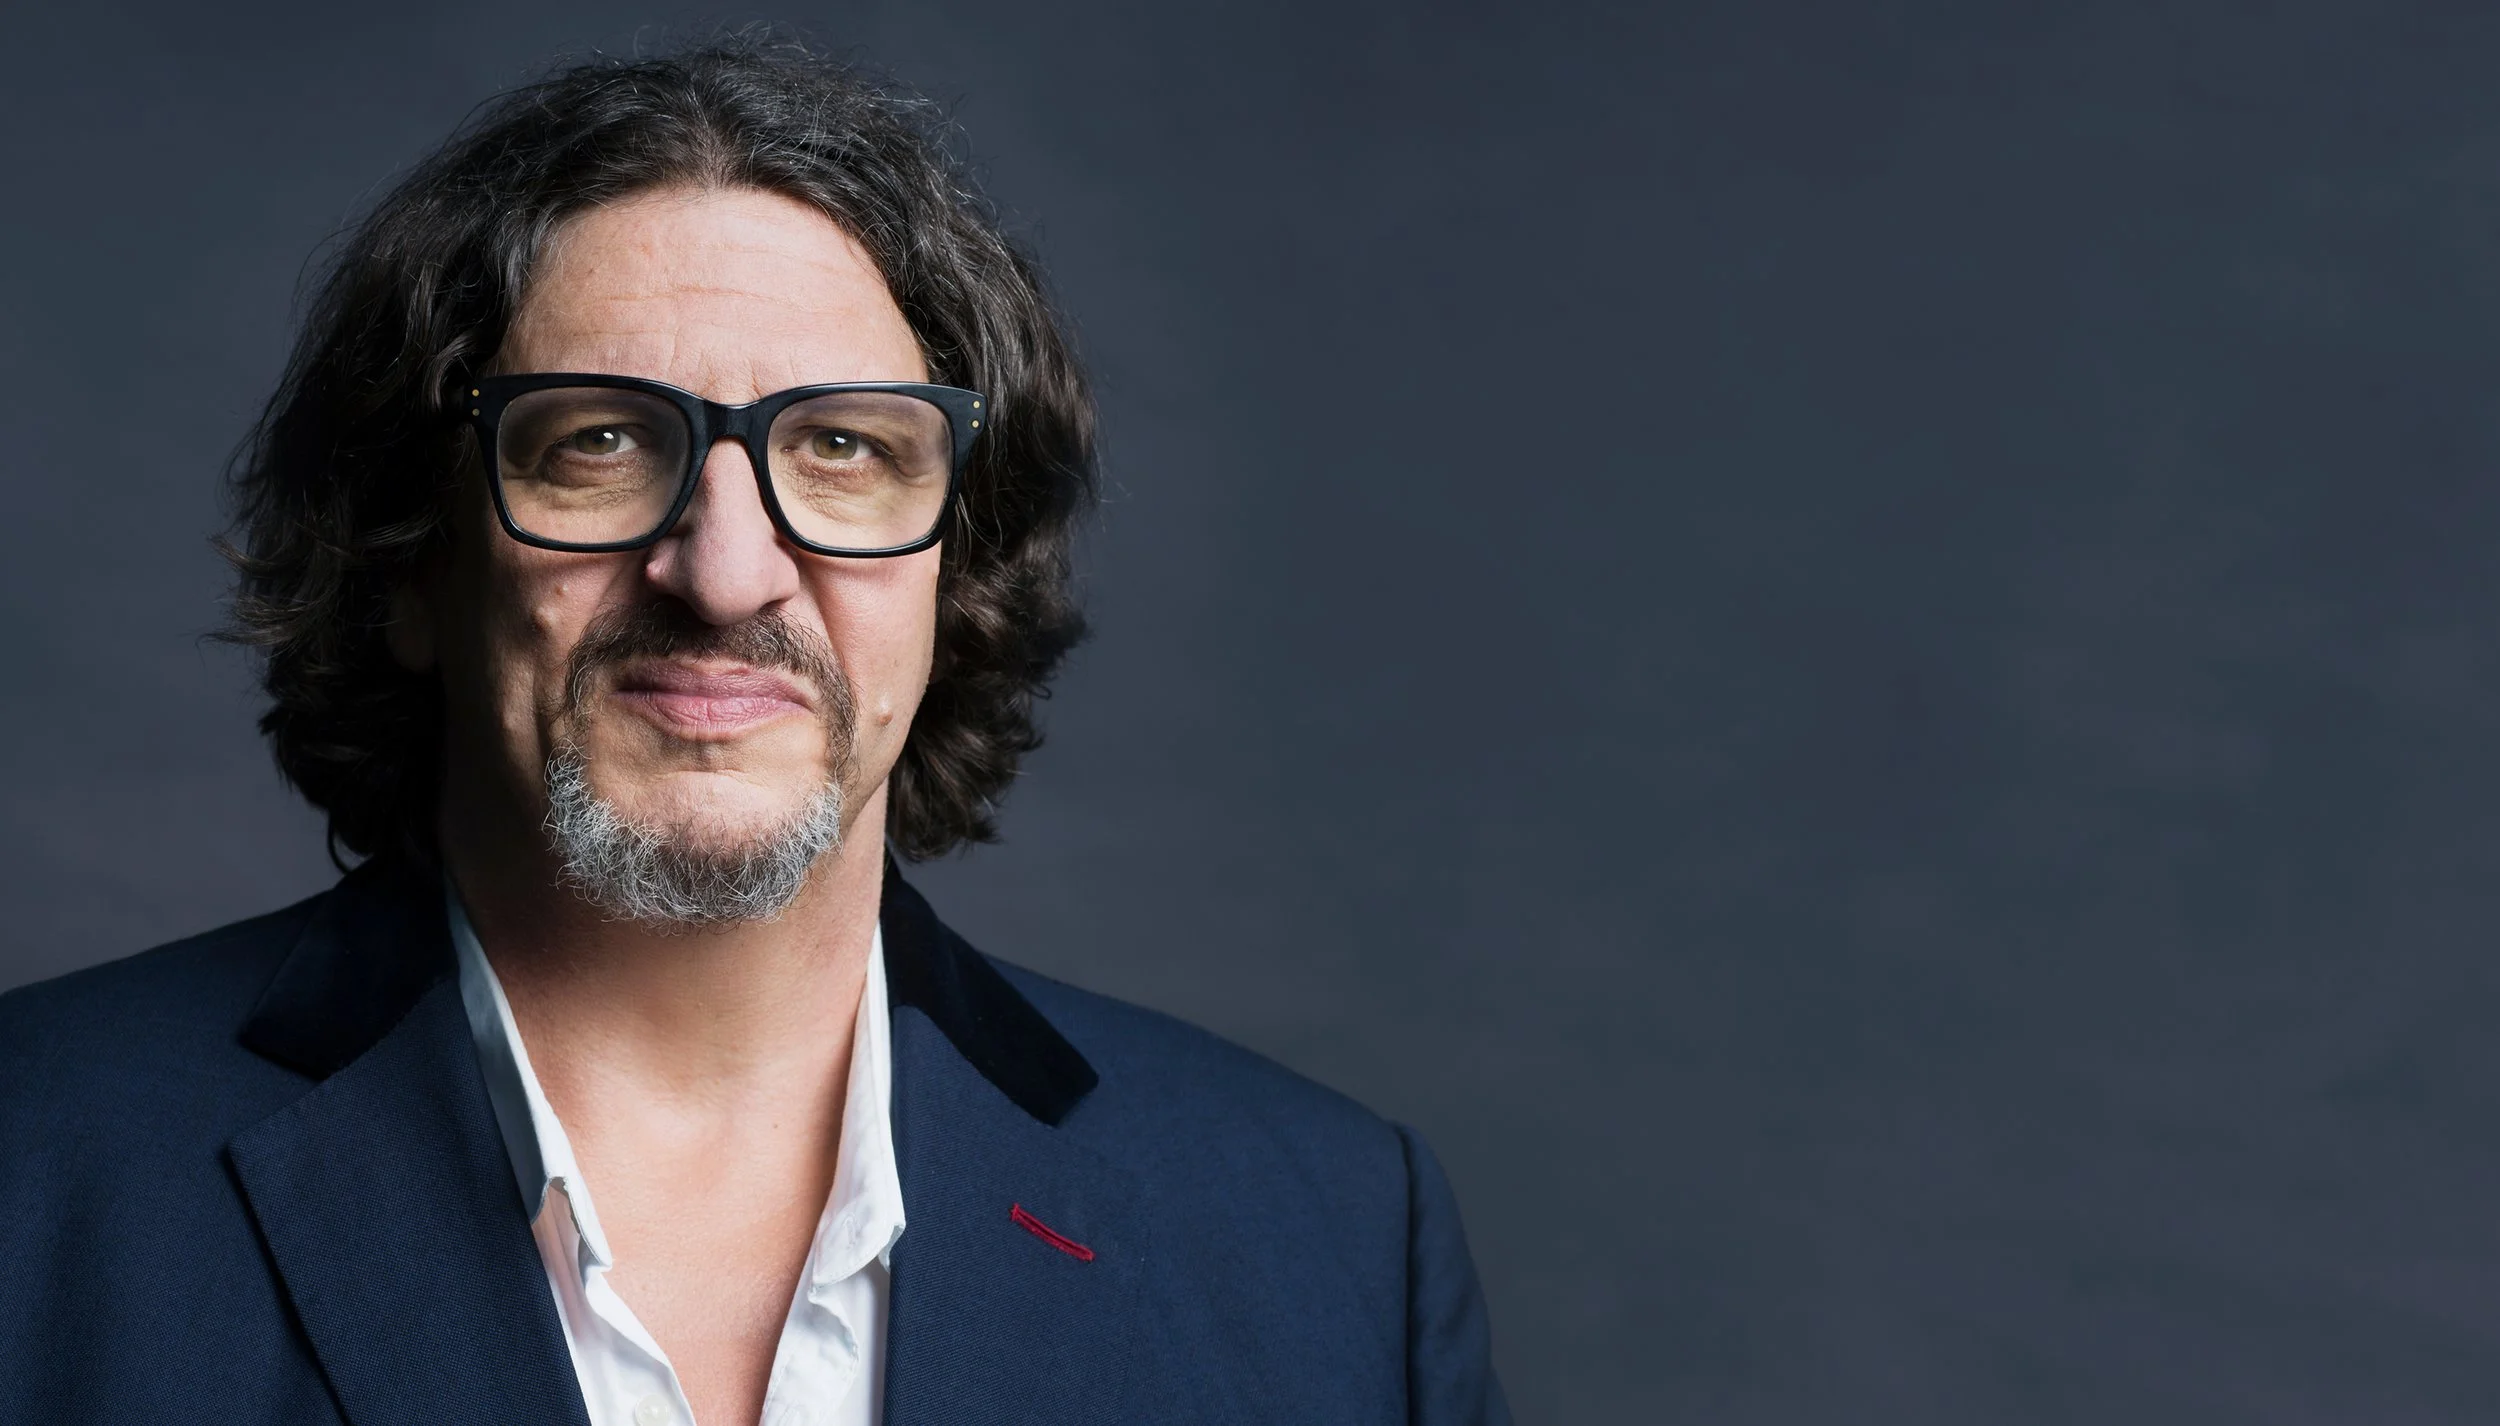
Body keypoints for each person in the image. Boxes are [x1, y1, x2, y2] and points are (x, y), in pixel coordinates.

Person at [0, 38, 1507, 1426]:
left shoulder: (1328, 1242)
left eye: (843, 447)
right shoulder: (35, 1175)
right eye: (599, 442)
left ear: (954, 576)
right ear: (409, 563)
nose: (725, 572)